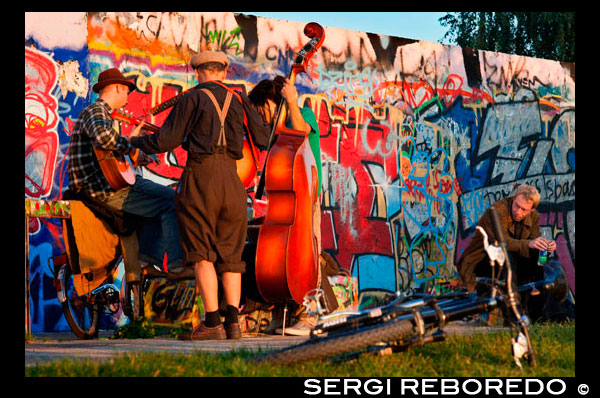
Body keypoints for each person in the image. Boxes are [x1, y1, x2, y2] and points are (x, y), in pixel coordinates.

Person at [129, 51, 270, 340]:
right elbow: (264, 139)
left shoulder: (190, 99)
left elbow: (164, 141)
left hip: (200, 178)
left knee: (202, 252)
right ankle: (233, 323)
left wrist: (134, 140)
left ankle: (211, 322)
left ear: (197, 73)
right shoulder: (239, 100)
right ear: (223, 71)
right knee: (231, 254)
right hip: (233, 182)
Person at [67, 67, 184, 314]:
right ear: (119, 88)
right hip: (104, 191)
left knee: (159, 203)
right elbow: (104, 138)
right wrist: (131, 149)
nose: (129, 97)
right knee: (173, 200)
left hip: (107, 186)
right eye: (127, 91)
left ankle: (147, 261)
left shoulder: (102, 115)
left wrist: (134, 151)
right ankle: (174, 264)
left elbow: (108, 158)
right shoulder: (96, 112)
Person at [247, 76, 338, 335]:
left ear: (270, 101)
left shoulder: (303, 114)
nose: (262, 118)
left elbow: (301, 131)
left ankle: (315, 315)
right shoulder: (277, 129)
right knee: (282, 259)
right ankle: (282, 314)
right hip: (288, 201)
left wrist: (292, 101)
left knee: (309, 256)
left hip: (307, 197)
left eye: (262, 110)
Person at [456, 184, 556, 321]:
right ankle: (513, 317)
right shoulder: (497, 210)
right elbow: (501, 243)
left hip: (512, 263)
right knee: (506, 256)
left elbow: (533, 243)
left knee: (541, 257)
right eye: (516, 206)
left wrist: (546, 248)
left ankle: (541, 315)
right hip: (481, 263)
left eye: (524, 210)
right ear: (513, 199)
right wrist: (530, 244)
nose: (518, 212)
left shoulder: (533, 216)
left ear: (532, 210)